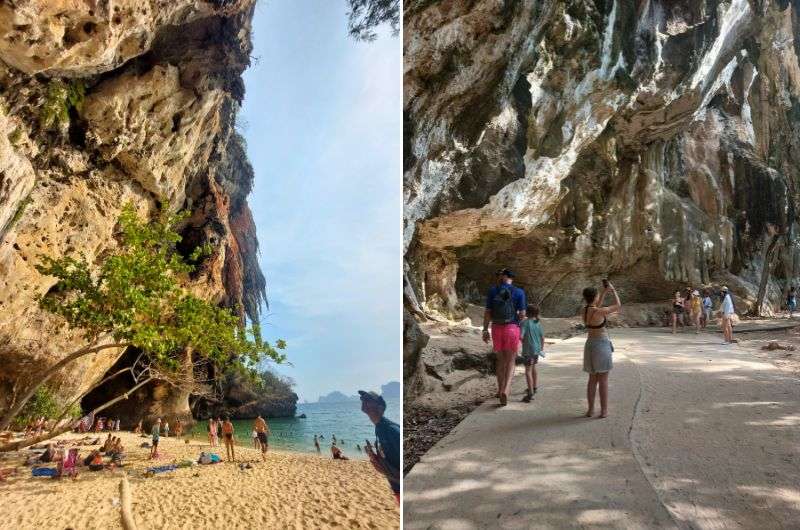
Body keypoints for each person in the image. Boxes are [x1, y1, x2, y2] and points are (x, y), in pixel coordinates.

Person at [482, 268, 526, 406]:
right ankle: (506, 390)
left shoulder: (492, 291)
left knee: (500, 361)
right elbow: (522, 314)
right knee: (511, 361)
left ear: (503, 277)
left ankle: (500, 389)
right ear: (512, 278)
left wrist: (484, 329)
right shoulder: (519, 292)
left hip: (496, 328)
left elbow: (488, 312)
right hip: (512, 328)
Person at [582, 280, 621, 419]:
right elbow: (618, 306)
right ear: (595, 297)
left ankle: (590, 410)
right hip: (601, 345)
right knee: (603, 379)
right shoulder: (600, 311)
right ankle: (604, 411)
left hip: (590, 345)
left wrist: (604, 292)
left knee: (592, 379)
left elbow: (595, 306)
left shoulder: (586, 310)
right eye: (598, 295)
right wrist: (613, 290)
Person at [358, 390, 400, 504]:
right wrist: (378, 460)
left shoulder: (391, 429)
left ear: (380, 407)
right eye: (362, 399)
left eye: (368, 400)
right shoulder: (379, 428)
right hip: (396, 486)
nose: (363, 401)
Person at [519, 305, 545, 403]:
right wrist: (541, 348)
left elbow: (521, 336)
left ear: (527, 312)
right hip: (536, 350)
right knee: (533, 368)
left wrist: (523, 342)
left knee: (528, 370)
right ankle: (534, 387)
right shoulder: (538, 323)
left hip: (528, 350)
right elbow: (542, 338)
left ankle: (530, 393)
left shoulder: (524, 323)